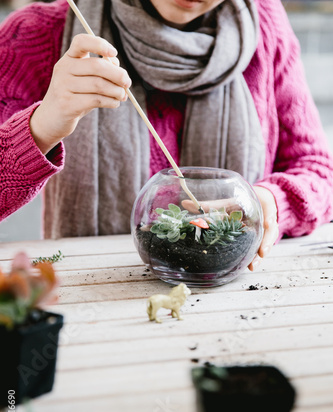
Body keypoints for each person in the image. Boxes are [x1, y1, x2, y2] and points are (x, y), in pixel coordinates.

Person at [0, 0, 332, 272]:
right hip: (92, 293)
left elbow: (319, 171)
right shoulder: (40, 34)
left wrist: (272, 202)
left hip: (234, 295)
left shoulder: (264, 25)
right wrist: (41, 128)